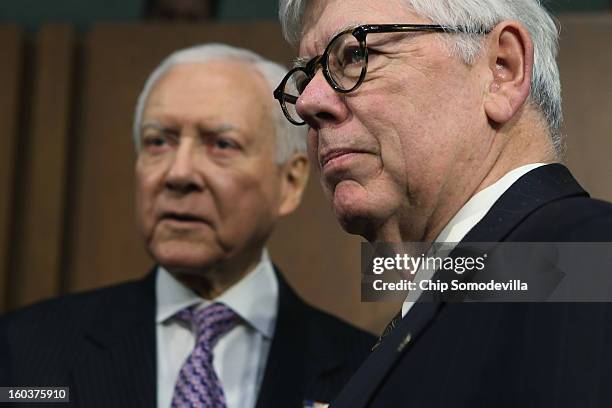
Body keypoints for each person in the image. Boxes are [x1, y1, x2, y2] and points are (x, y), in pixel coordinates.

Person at [273, 0, 612, 406]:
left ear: (502, 69)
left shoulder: (586, 259)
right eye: (308, 74)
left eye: (356, 54)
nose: (309, 102)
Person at [0, 43, 375, 408]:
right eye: (158, 142)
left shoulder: (367, 369)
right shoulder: (23, 350)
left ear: (289, 183)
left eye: (221, 145)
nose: (178, 174)